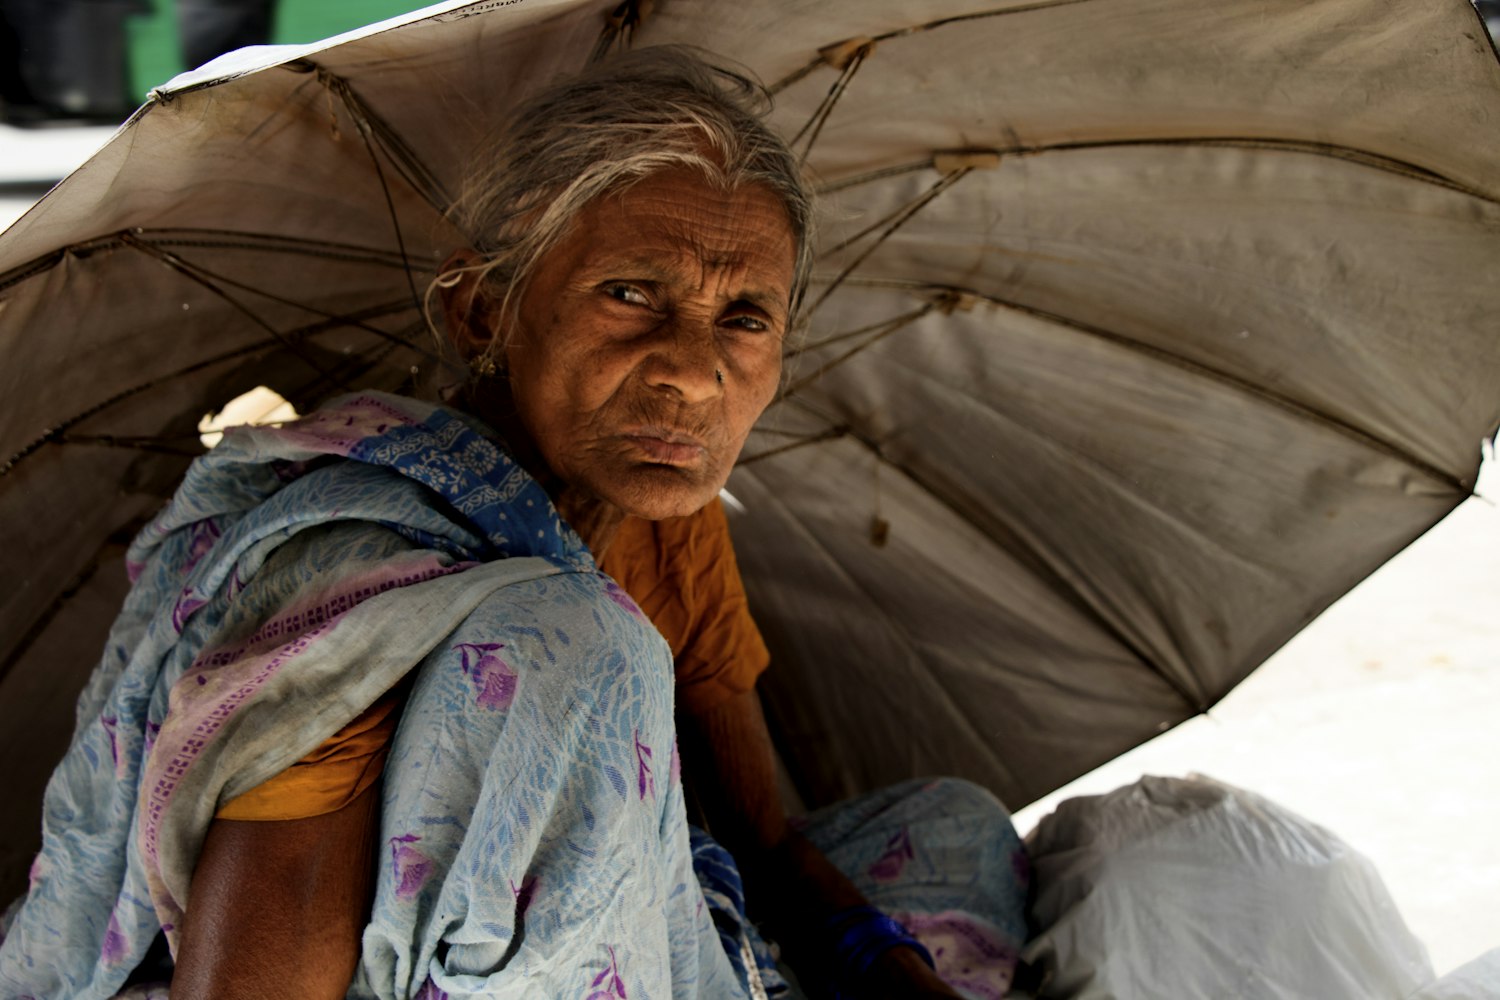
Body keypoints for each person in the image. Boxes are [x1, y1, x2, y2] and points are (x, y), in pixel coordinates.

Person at [0, 48, 1027, 1000]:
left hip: (589, 934)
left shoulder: (670, 518)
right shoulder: (361, 561)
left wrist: (886, 973)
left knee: (956, 831)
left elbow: (758, 835)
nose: (693, 370)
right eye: (631, 295)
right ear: (484, 313)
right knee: (579, 646)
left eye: (744, 318)